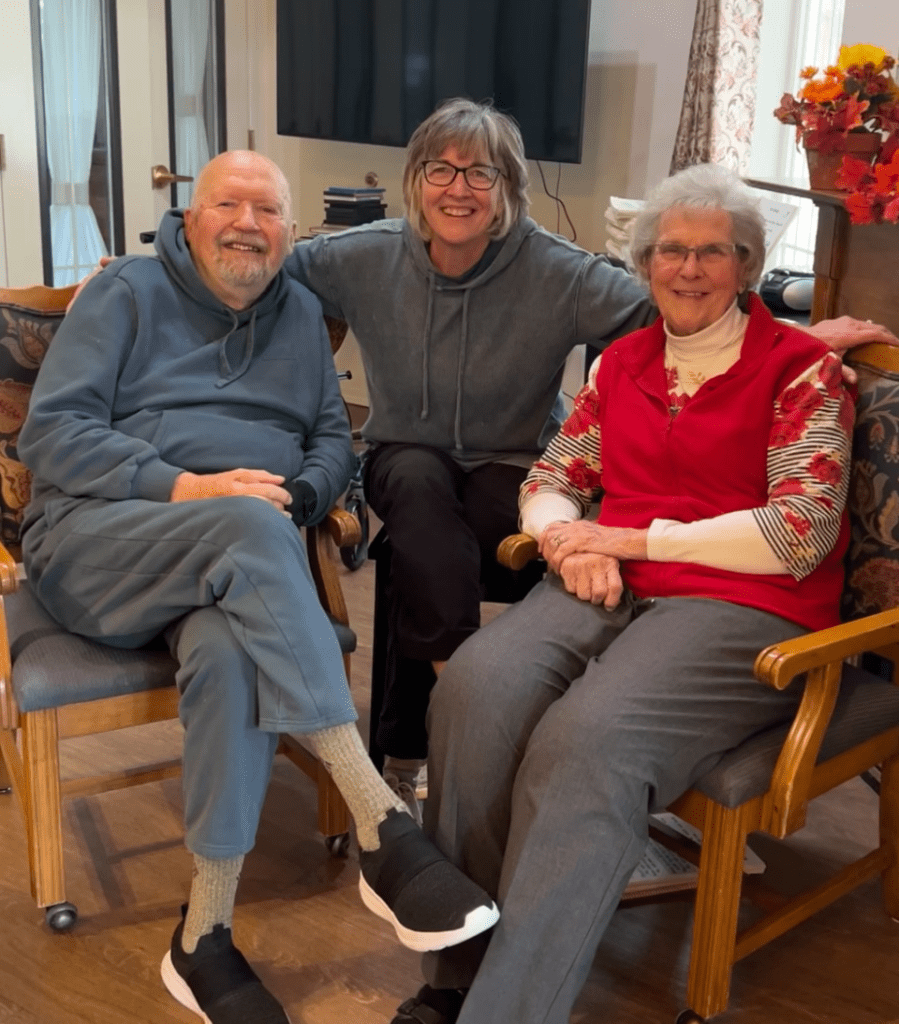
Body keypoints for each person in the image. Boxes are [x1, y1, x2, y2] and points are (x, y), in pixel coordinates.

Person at [282, 97, 896, 820]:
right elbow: (264, 269)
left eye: (480, 173)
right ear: (415, 180)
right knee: (417, 498)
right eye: (439, 170)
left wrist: (794, 341)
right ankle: (454, 703)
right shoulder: (360, 254)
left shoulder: (560, 269)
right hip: (406, 456)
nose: (458, 189)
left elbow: (677, 307)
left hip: (512, 463)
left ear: (510, 186)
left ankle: (428, 744)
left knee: (420, 551)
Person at [17, 150, 500, 1024]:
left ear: (291, 230)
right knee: (244, 527)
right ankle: (380, 824)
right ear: (189, 218)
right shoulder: (124, 292)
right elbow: (51, 435)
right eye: (228, 205)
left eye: (268, 210)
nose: (248, 223)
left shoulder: (300, 312)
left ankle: (203, 934)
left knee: (231, 653)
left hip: (232, 566)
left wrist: (304, 495)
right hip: (99, 540)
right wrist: (187, 488)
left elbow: (331, 437)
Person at [389, 163, 857, 1024]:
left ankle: (511, 1011)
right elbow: (553, 477)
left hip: (746, 605)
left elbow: (799, 531)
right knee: (474, 689)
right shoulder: (623, 364)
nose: (688, 269)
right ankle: (457, 976)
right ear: (643, 266)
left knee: (588, 741)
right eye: (669, 251)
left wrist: (631, 539)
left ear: (748, 265)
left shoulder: (802, 372)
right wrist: (563, 539)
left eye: (712, 251)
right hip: (609, 578)